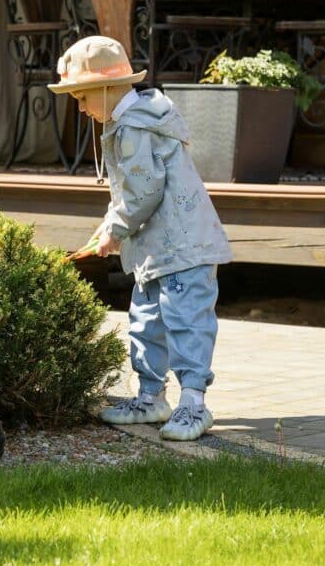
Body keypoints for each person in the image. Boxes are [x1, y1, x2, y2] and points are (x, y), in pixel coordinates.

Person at [49, 35, 232, 440]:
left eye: (82, 97)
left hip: (184, 247)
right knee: (146, 321)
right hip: (155, 251)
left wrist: (114, 230)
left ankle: (193, 402)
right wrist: (110, 224)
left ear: (106, 88)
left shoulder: (135, 126)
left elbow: (144, 190)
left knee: (186, 322)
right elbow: (133, 190)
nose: (79, 108)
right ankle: (151, 397)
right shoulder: (128, 123)